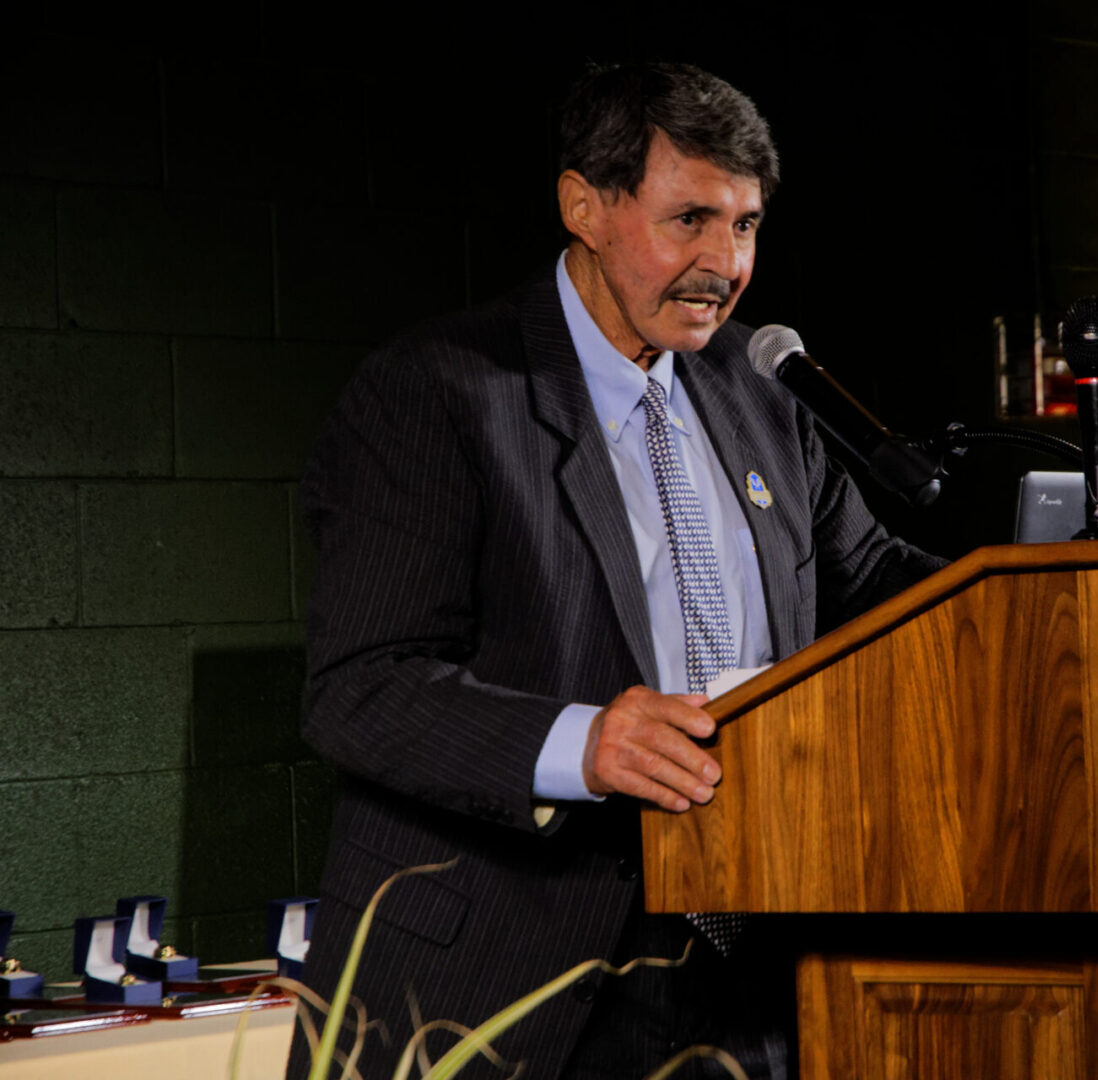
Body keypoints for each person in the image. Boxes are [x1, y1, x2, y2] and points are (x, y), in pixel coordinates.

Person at [290, 62, 944, 1080]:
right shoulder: (437, 394)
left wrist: (1052, 598)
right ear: (583, 206)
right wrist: (584, 742)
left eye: (746, 226)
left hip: (755, 971)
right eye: (690, 219)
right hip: (517, 991)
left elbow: (887, 587)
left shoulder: (765, 402)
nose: (724, 263)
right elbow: (359, 690)